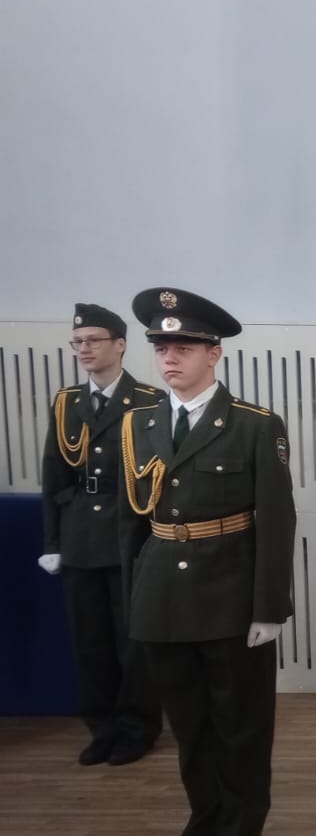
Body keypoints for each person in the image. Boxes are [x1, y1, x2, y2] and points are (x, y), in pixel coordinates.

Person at [118, 288, 296, 836]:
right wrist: (133, 598)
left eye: (184, 347)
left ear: (214, 354)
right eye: (161, 348)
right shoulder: (139, 424)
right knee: (189, 726)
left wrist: (269, 607)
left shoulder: (254, 425)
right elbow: (130, 524)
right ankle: (201, 830)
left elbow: (277, 520)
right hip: (163, 599)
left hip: (230, 595)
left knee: (240, 725)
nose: (170, 358)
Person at [38, 302, 164, 765]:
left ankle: (137, 728)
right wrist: (53, 542)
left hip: (128, 532)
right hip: (79, 536)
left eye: (93, 340)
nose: (84, 349)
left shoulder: (149, 400)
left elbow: (158, 476)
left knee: (133, 641)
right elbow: (54, 474)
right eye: (78, 342)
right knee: (89, 640)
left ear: (120, 345)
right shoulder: (67, 402)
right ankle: (102, 727)